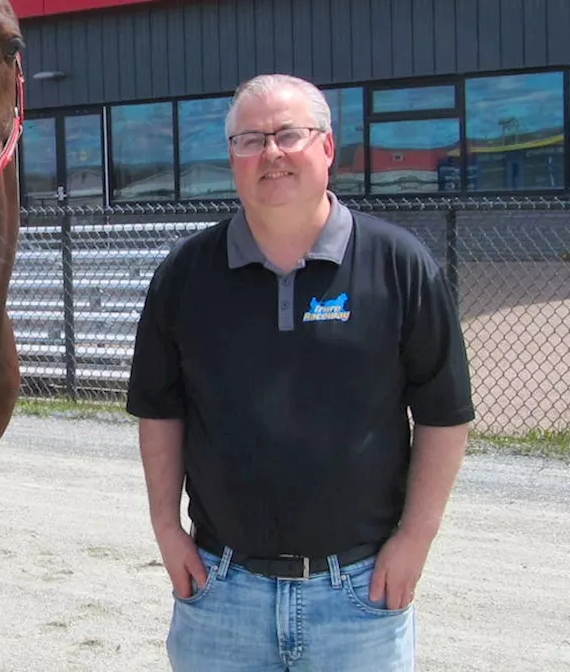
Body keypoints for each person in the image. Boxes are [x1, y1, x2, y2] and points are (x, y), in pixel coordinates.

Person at [126, 73, 474, 671]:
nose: (271, 153)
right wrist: (166, 527)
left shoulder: (398, 266)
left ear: (327, 148)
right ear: (231, 157)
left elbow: (444, 416)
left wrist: (414, 542)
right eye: (250, 139)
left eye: (289, 134)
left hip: (359, 598)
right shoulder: (184, 277)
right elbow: (160, 409)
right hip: (221, 594)